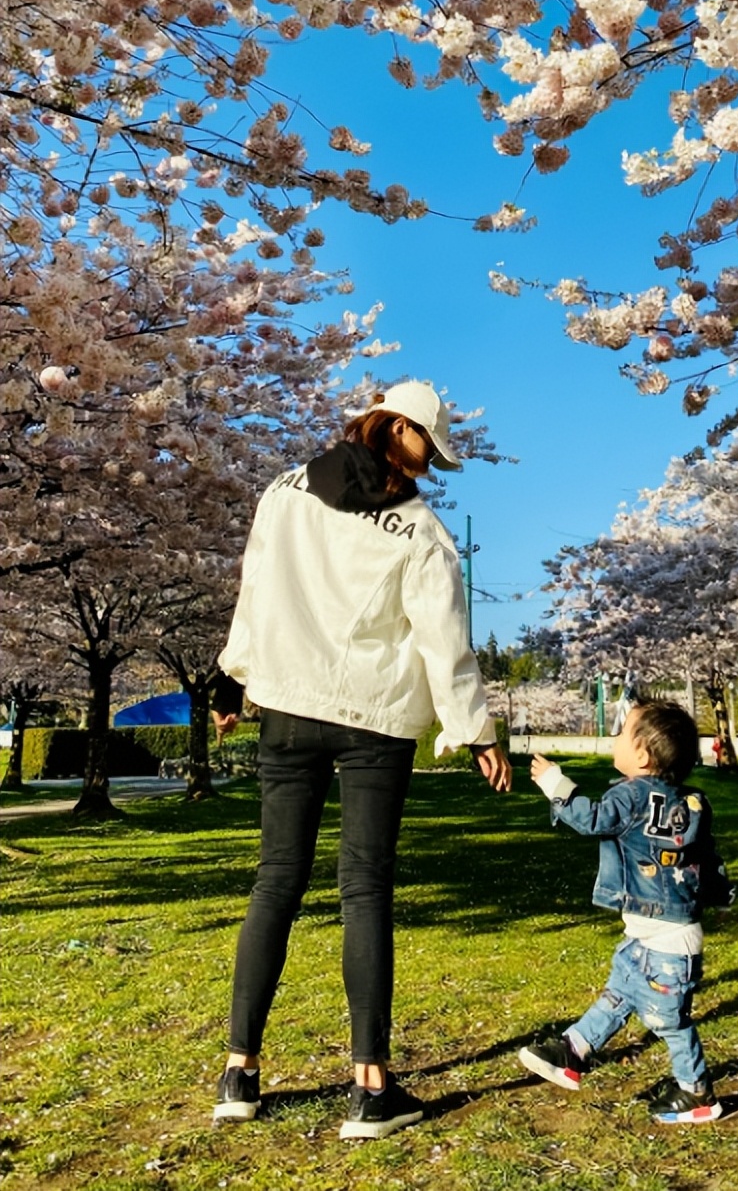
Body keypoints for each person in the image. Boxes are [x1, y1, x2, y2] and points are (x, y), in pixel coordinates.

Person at [210, 381, 512, 1139]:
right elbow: (444, 638)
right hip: (374, 719)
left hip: (286, 704)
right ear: (397, 426)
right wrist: (475, 730)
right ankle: (370, 1087)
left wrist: (231, 677)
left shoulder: (283, 492)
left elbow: (257, 587)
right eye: (427, 447)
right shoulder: (418, 530)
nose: (431, 467)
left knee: (276, 881)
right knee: (364, 889)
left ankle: (239, 1072)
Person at [519, 699, 732, 1124]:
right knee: (619, 992)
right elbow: (704, 855)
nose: (614, 738)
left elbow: (594, 819)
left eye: (621, 733)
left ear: (641, 754)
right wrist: (719, 890)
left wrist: (556, 784)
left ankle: (696, 1093)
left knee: (668, 1020)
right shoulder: (692, 802)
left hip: (665, 944)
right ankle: (573, 1051)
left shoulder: (631, 795)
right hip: (659, 932)